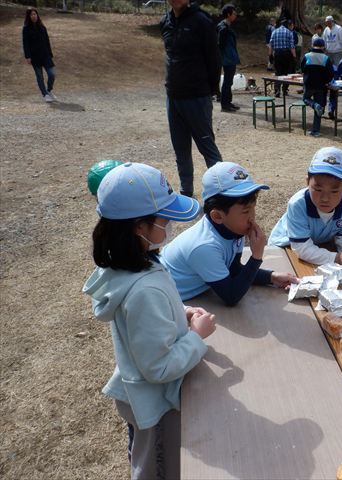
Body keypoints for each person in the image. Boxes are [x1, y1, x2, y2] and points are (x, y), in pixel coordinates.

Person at [83, 162, 216, 479]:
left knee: (141, 450)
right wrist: (196, 335)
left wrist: (179, 314)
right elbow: (158, 368)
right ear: (139, 228)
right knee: (157, 466)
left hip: (138, 392)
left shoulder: (129, 264)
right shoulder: (143, 289)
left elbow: (144, 323)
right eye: (165, 219)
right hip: (154, 404)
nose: (170, 225)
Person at [160, 162, 297, 304]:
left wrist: (271, 277)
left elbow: (234, 269)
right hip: (169, 300)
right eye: (245, 211)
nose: (252, 217)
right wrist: (256, 256)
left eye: (253, 208)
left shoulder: (234, 230)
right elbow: (231, 296)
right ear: (217, 216)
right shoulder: (204, 246)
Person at [160, 0, 222, 198]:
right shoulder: (165, 22)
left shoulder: (201, 21)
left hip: (197, 96)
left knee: (207, 148)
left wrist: (211, 89)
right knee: (181, 150)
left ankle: (223, 191)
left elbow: (214, 58)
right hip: (173, 96)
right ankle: (186, 192)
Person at [269, 147, 342, 269]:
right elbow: (301, 248)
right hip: (287, 246)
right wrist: (336, 258)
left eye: (334, 191)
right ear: (307, 182)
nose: (325, 198)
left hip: (320, 244)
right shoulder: (298, 204)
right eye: (318, 189)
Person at [300, 38, 334, 138]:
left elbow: (302, 69)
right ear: (323, 46)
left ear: (313, 45)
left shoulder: (307, 56)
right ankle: (316, 131)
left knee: (306, 99)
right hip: (321, 86)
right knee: (319, 106)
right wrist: (326, 81)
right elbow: (331, 73)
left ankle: (314, 105)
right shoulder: (326, 58)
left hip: (309, 84)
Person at [22, 8, 57, 103]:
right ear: (29, 17)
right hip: (35, 57)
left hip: (45, 55)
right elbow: (25, 43)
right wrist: (28, 56)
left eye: (35, 14)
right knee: (39, 76)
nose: (34, 16)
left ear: (37, 15)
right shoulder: (26, 29)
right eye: (32, 14)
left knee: (52, 74)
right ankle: (44, 94)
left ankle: (49, 90)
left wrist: (50, 53)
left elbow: (47, 41)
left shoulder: (42, 27)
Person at [217, 4, 241, 112]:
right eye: (234, 13)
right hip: (227, 58)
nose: (235, 15)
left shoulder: (227, 26)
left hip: (230, 57)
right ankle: (224, 104)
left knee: (229, 81)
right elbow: (220, 44)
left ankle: (228, 102)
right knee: (227, 81)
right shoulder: (223, 28)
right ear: (228, 14)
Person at [269, 19, 296, 97]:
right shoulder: (289, 33)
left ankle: (277, 90)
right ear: (287, 25)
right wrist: (294, 57)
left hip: (277, 54)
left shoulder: (274, 32)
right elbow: (292, 46)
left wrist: (270, 55)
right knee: (286, 73)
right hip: (286, 54)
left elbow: (271, 45)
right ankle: (284, 90)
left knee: (278, 72)